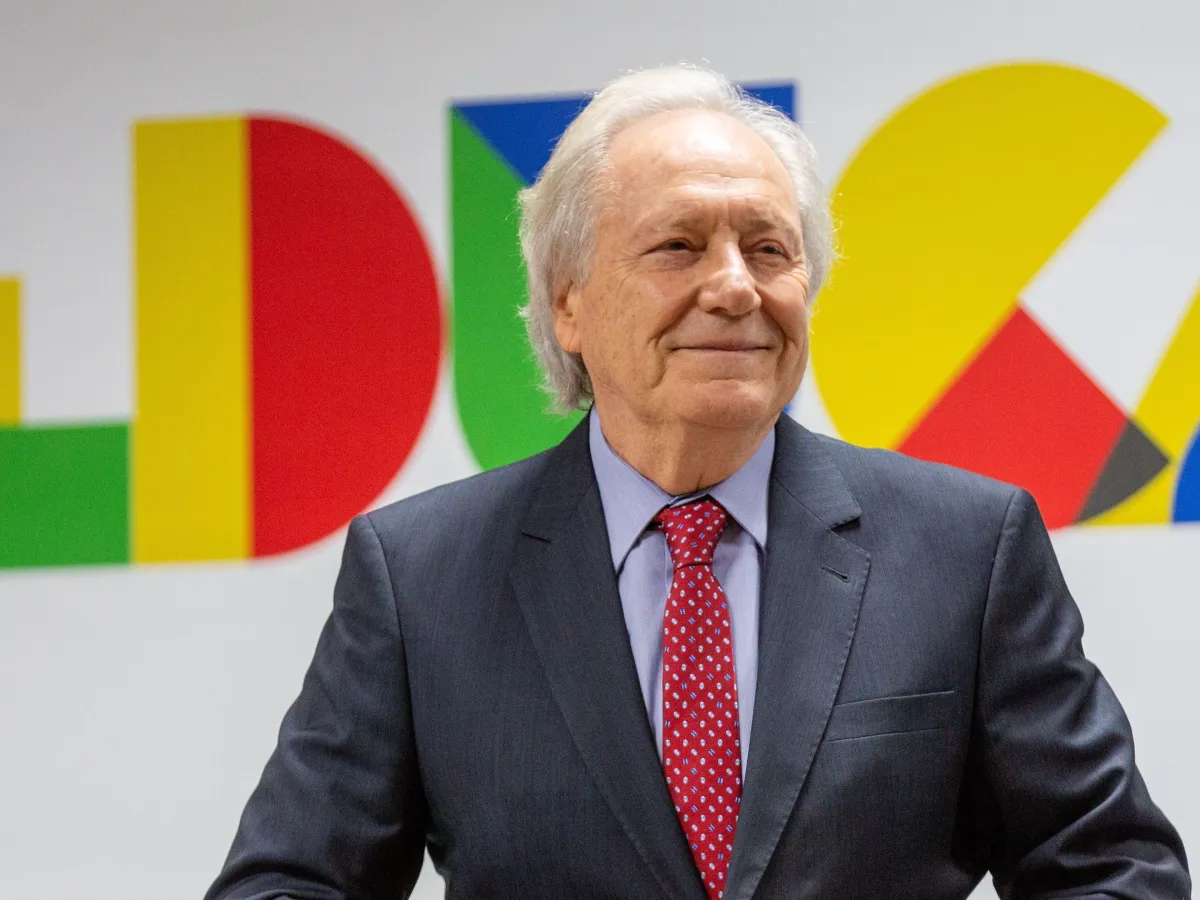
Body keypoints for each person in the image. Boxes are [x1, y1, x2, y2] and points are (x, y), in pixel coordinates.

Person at [206, 65, 1190, 900]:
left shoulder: (967, 548)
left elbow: (1113, 869)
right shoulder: (420, 576)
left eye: (769, 250)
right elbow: (286, 883)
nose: (734, 286)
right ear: (569, 305)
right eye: (678, 246)